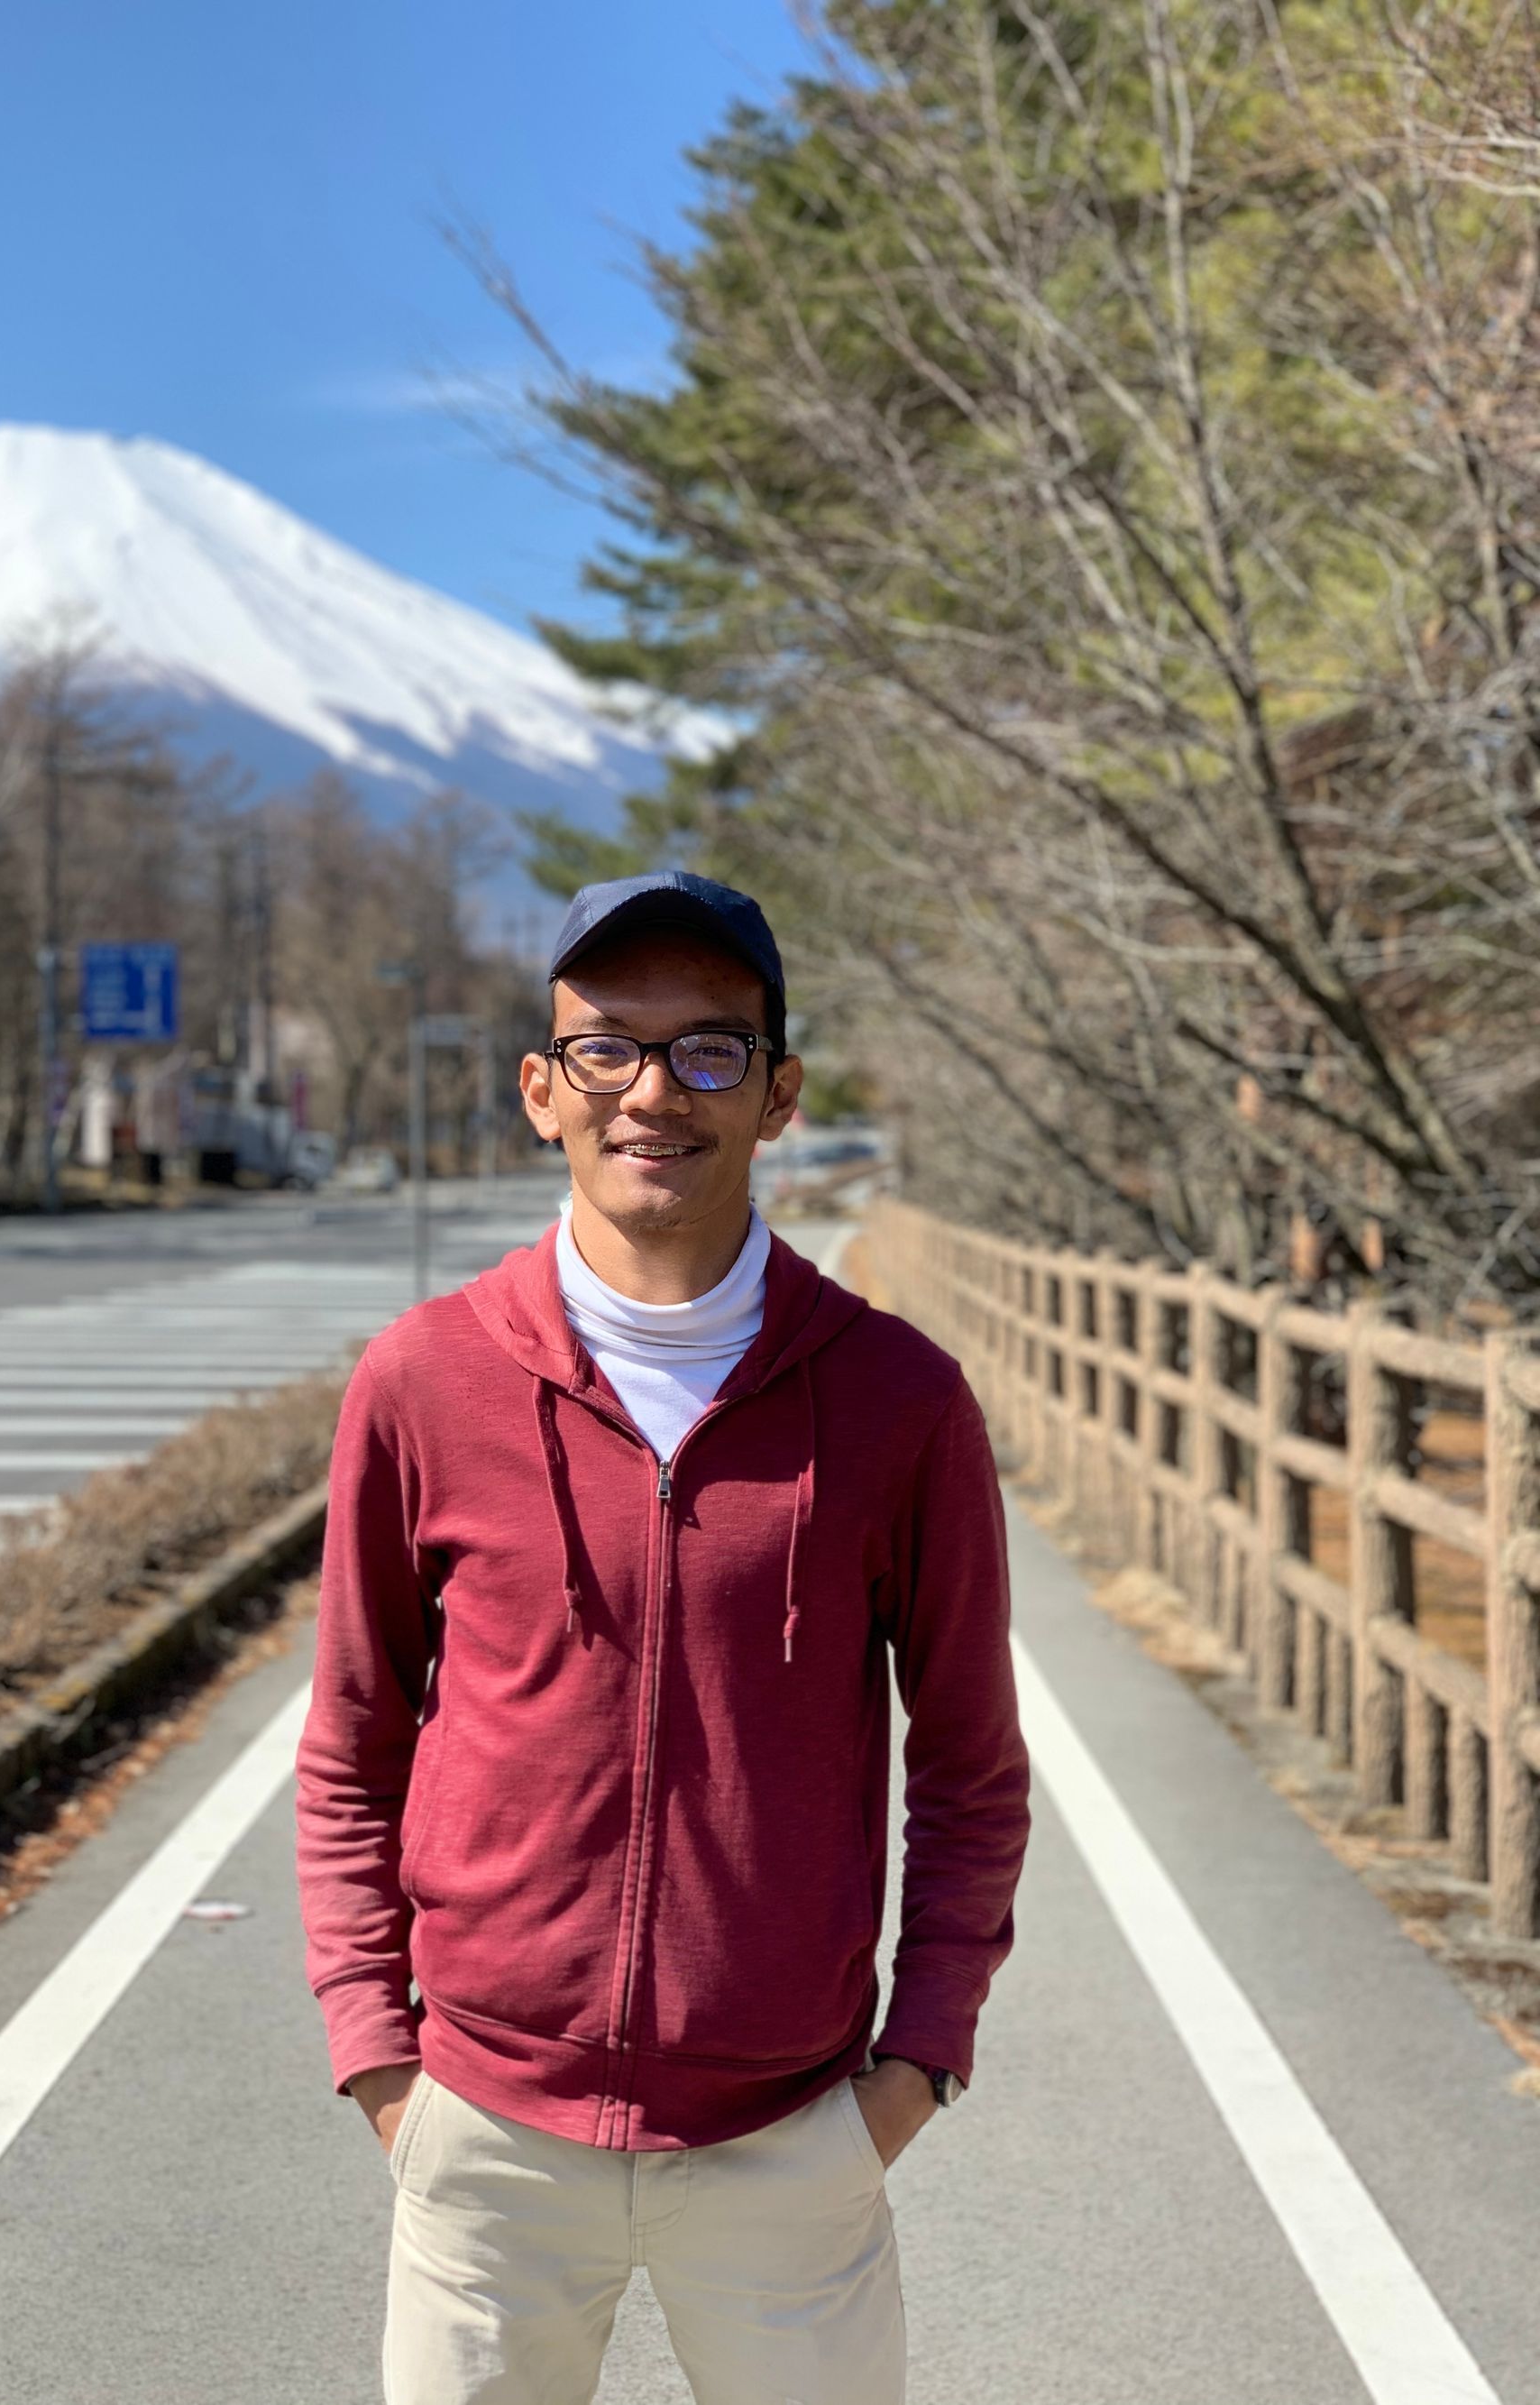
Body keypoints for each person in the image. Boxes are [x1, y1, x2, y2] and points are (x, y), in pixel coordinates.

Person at [295, 870, 1030, 2404]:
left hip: (790, 2138)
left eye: (708, 1050)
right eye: (608, 1048)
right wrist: (378, 2056)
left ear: (778, 1096)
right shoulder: (422, 1380)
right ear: (541, 1090)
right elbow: (352, 1741)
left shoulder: (899, 1401)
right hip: (483, 2135)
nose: (653, 1091)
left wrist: (916, 2067)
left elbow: (971, 1764)